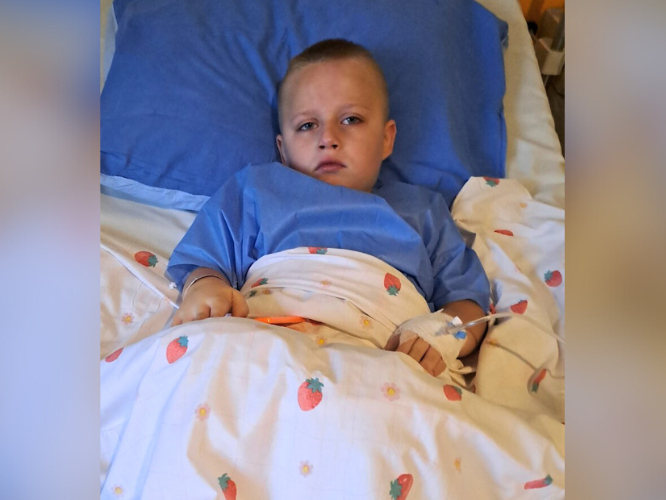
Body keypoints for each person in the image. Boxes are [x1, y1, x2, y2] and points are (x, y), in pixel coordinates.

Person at [166, 39, 490, 377]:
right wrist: (205, 286)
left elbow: (469, 302)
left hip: (384, 362)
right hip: (266, 346)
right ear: (283, 150)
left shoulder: (423, 211)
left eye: (350, 119)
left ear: (386, 139)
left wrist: (441, 335)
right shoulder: (257, 189)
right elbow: (203, 260)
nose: (328, 138)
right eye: (307, 125)